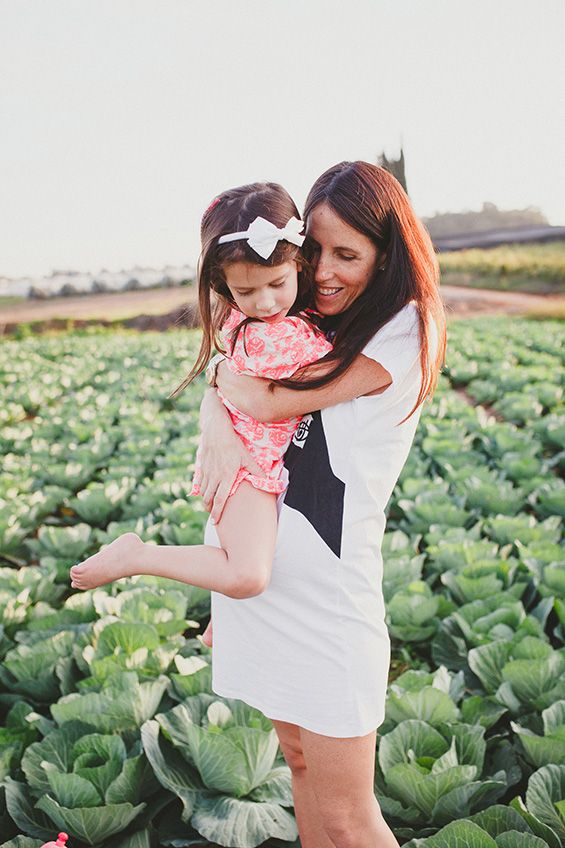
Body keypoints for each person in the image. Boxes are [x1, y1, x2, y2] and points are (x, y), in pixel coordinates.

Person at [194, 161, 446, 848]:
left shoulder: (405, 326)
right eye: (318, 252)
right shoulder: (305, 316)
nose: (326, 272)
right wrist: (219, 394)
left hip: (331, 597)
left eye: (348, 254)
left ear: (386, 254)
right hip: (266, 581)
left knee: (346, 815)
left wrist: (219, 386)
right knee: (299, 767)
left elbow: (268, 396)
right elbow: (234, 365)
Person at [68, 182, 333, 652]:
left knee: (259, 563)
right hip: (247, 469)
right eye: (246, 291)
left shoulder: (250, 324)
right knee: (248, 575)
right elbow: (339, 361)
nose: (266, 303)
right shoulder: (274, 337)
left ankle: (224, 615)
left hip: (265, 463)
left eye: (277, 284)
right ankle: (138, 556)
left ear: (300, 263)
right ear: (222, 287)